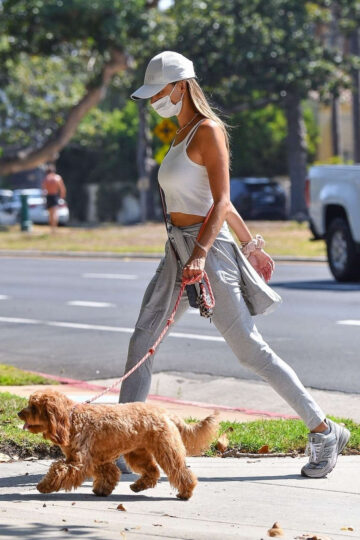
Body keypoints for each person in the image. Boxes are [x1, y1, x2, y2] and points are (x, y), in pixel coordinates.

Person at [118, 50, 350, 478]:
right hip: (177, 251)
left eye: (159, 93)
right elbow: (210, 200)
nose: (154, 102)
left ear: (182, 86)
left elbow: (221, 202)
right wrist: (250, 241)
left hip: (208, 254)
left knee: (250, 351)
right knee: (142, 341)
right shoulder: (179, 134)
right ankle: (124, 444)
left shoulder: (208, 131)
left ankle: (324, 429)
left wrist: (209, 252)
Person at [41, 164, 67, 233]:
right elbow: (62, 189)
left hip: (49, 196)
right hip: (55, 196)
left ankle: (52, 228)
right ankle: (54, 228)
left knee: (50, 214)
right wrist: (62, 198)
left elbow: (43, 190)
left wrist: (43, 198)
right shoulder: (57, 178)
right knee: (55, 213)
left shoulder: (46, 179)